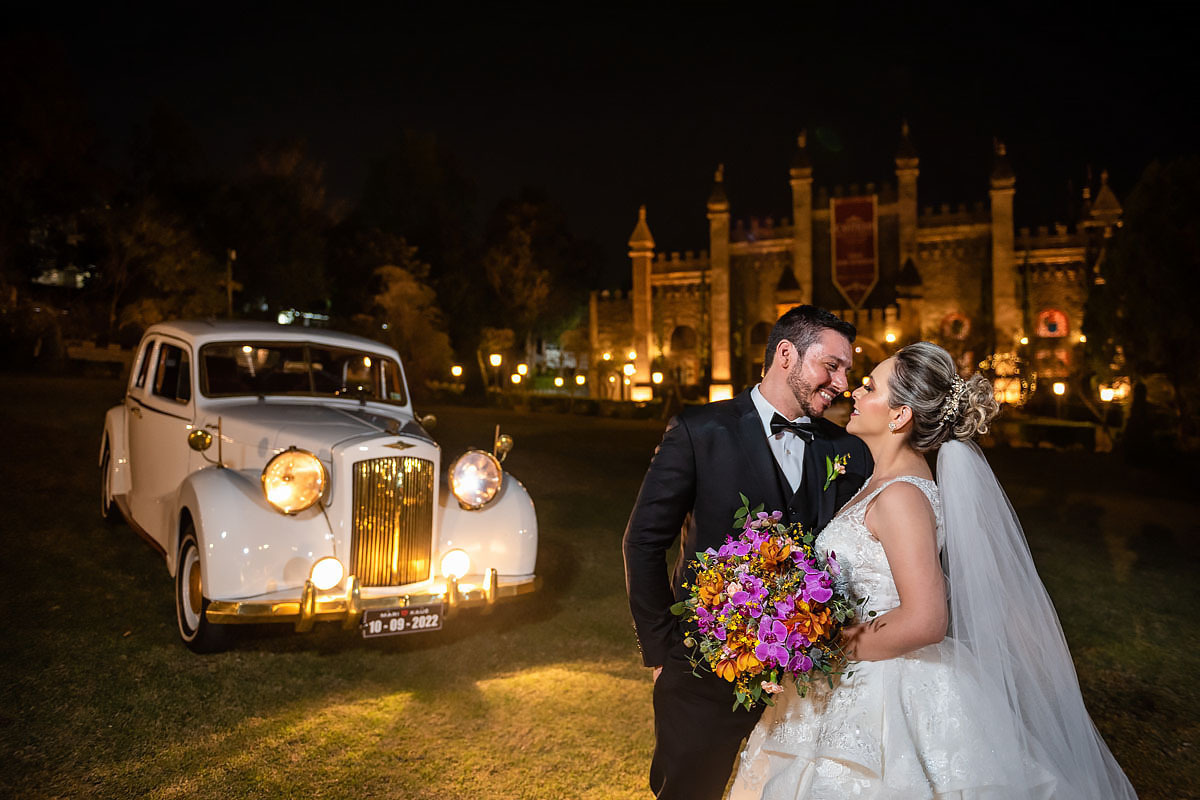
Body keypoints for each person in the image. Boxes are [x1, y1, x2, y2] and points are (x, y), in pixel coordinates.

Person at [730, 341, 1137, 799]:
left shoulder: (901, 496)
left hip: (884, 690)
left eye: (869, 387)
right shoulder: (879, 483)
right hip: (853, 671)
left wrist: (825, 646)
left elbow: (926, 618)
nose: (855, 395)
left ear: (900, 415)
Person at [623, 306, 873, 800]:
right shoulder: (699, 430)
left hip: (807, 687)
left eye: (847, 369)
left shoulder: (846, 451)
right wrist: (662, 653)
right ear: (786, 355)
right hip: (702, 672)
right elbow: (644, 541)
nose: (843, 383)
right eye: (832, 366)